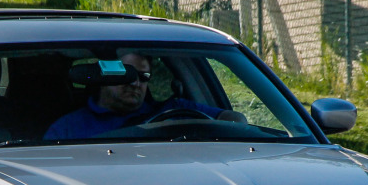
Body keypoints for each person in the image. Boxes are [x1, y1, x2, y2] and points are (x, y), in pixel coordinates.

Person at [44, 51, 229, 140]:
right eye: (127, 74)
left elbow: (233, 121)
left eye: (143, 76)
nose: (135, 83)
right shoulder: (67, 130)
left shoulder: (177, 111)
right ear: (104, 74)